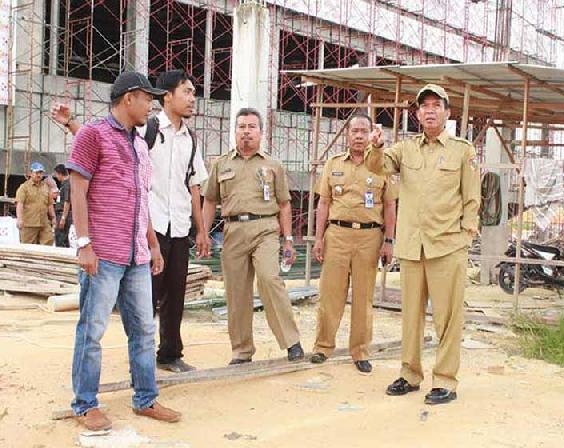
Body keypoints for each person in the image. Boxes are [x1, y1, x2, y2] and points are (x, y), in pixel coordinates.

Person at [52, 70, 210, 373]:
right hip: (149, 225)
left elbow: (194, 185)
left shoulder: (190, 139)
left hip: (178, 224)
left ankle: (169, 353)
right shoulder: (147, 128)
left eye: (193, 93)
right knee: (145, 298)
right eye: (187, 92)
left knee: (176, 292)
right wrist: (72, 124)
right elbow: (106, 145)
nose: (193, 99)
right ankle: (141, 360)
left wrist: (201, 229)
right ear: (168, 97)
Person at [66, 71, 180, 432]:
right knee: (92, 331)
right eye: (148, 99)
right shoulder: (92, 134)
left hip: (136, 256)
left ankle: (145, 398)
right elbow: (78, 190)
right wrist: (84, 244)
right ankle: (85, 404)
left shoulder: (140, 144)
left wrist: (152, 244)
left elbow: (141, 201)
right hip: (103, 252)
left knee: (144, 330)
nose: (151, 106)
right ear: (129, 98)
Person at [366, 84, 481, 405]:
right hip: (412, 246)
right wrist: (376, 146)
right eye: (424, 106)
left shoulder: (462, 151)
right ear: (417, 114)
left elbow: (472, 198)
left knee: (447, 318)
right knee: (411, 317)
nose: (430, 111)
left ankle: (444, 380)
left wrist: (465, 236)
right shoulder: (405, 149)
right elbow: (378, 167)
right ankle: (410, 374)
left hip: (447, 246)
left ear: (447, 112)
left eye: (436, 105)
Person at [202, 108, 304, 365]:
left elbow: (284, 204)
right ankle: (242, 350)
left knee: (270, 279)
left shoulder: (273, 165)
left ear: (261, 132)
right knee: (236, 291)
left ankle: (291, 341)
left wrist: (288, 240)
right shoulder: (221, 164)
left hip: (265, 228)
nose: (246, 132)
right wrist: (203, 233)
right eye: (241, 127)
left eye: (251, 127)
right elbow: (210, 200)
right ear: (235, 131)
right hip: (233, 231)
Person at [311, 113, 397, 374]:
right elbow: (323, 203)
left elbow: (390, 206)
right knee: (330, 295)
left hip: (369, 238)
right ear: (347, 135)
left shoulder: (381, 165)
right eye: (354, 131)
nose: (359, 136)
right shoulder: (333, 163)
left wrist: (389, 241)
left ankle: (360, 351)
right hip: (337, 235)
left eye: (363, 131)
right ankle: (323, 347)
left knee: (363, 298)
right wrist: (318, 238)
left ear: (371, 134)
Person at [15, 162, 55, 245]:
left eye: (41, 173)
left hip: (44, 224)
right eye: (37, 172)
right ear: (30, 173)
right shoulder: (24, 187)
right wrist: (19, 219)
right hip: (29, 224)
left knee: (48, 243)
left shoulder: (45, 187)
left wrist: (53, 217)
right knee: (28, 248)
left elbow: (50, 204)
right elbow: (20, 204)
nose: (39, 175)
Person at [53, 164, 72, 247]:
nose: (56, 177)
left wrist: (63, 218)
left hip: (63, 214)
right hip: (60, 214)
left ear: (60, 174)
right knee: (60, 237)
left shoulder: (67, 184)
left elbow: (67, 202)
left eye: (56, 174)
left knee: (61, 238)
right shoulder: (63, 184)